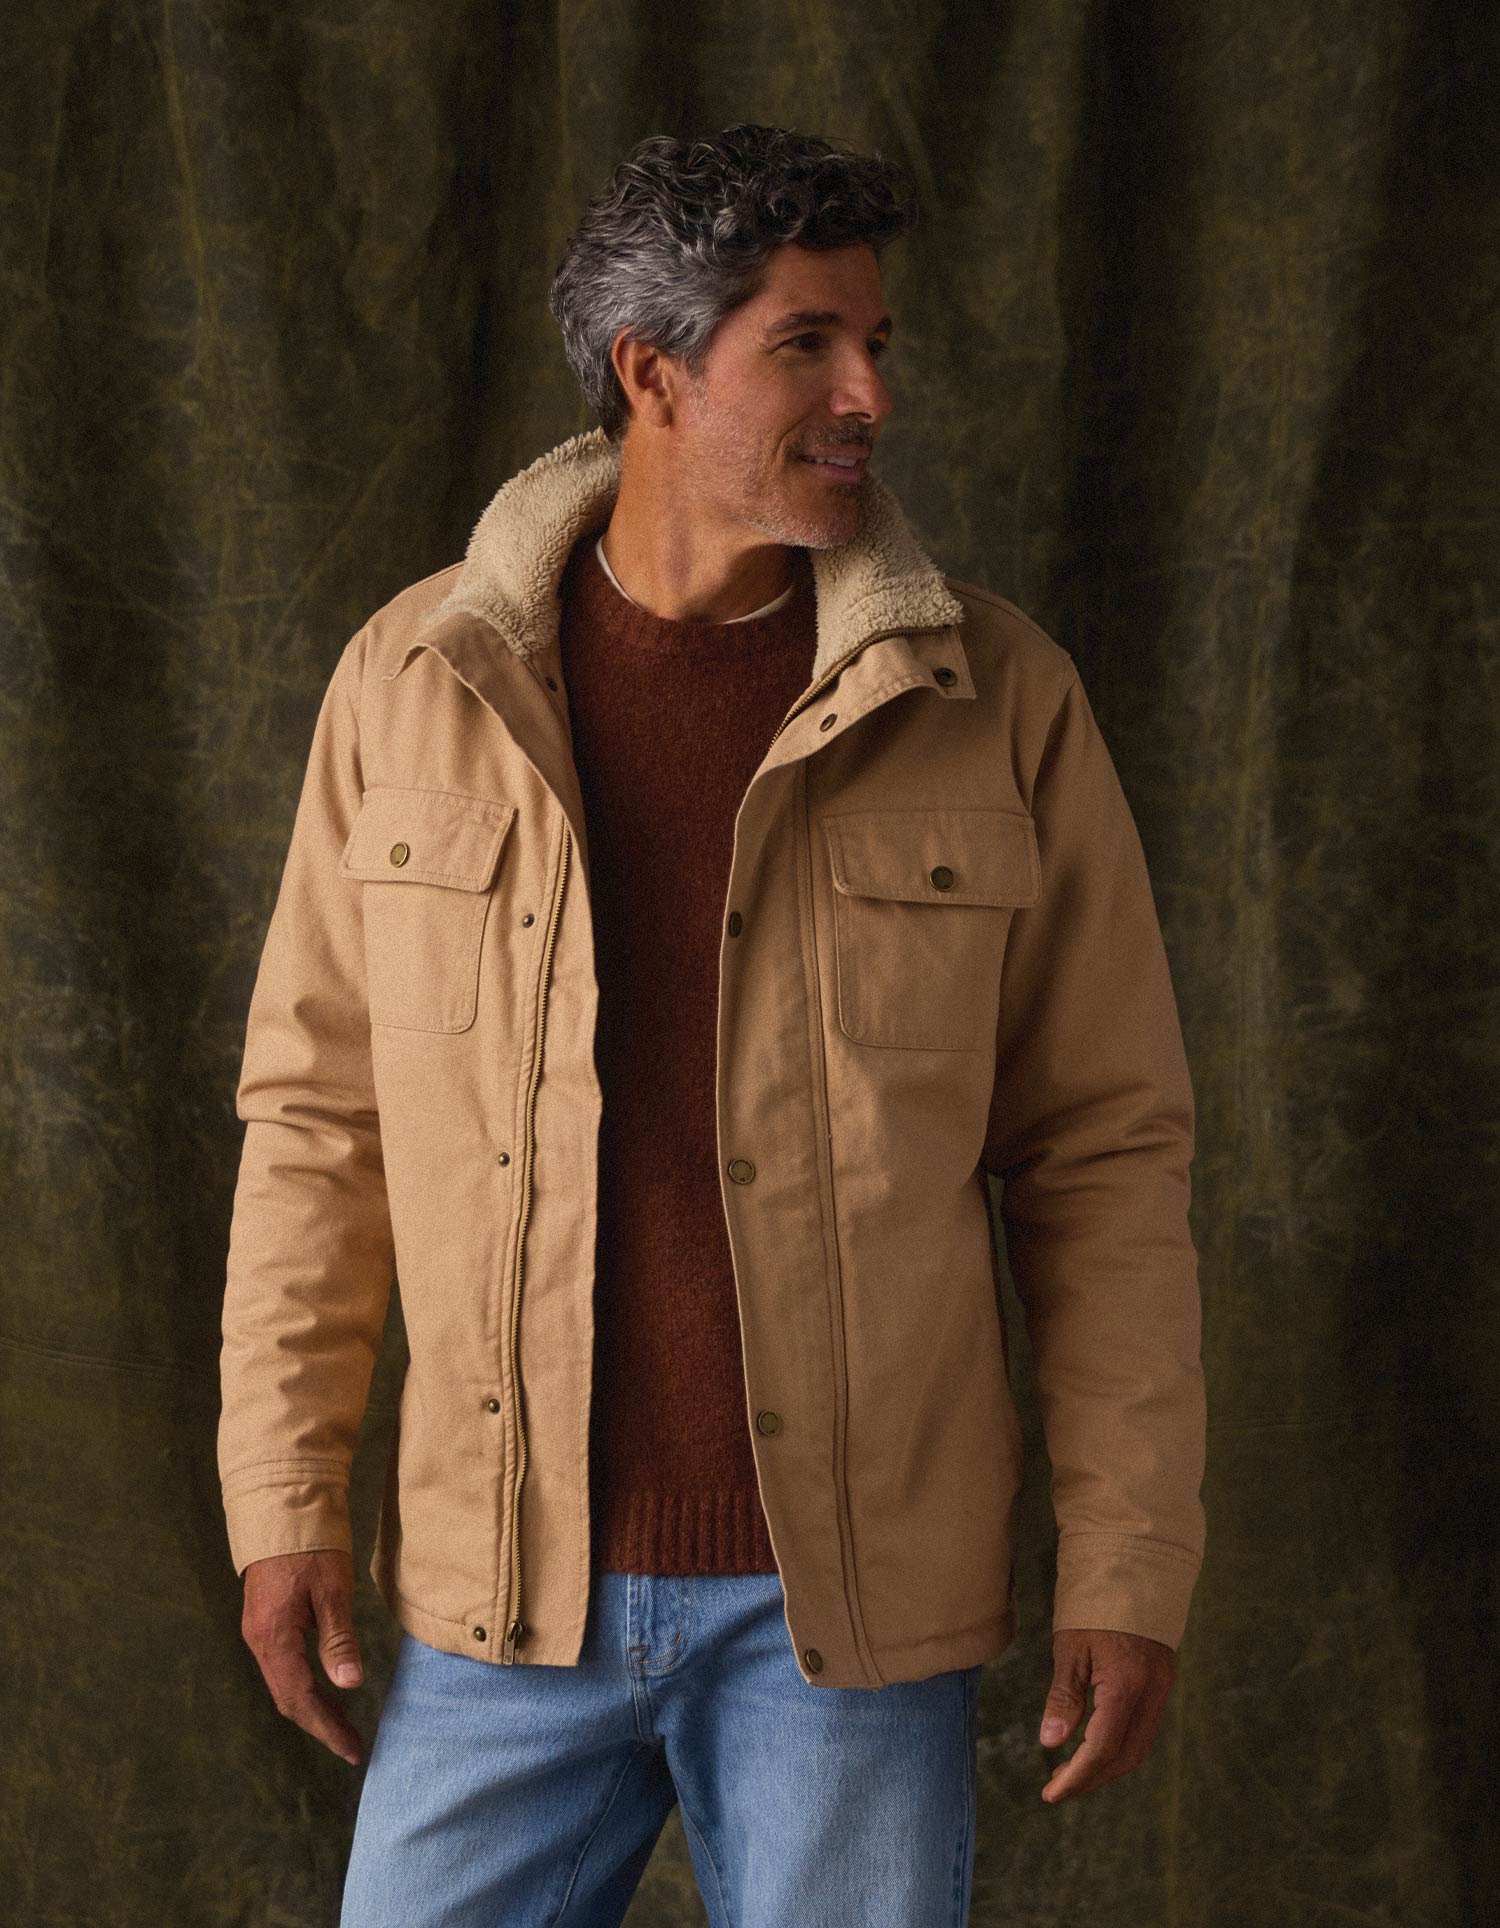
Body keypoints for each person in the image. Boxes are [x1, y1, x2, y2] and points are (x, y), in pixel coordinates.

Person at [218, 122, 1207, 1927]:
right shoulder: (415, 683)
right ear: (651, 373)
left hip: (847, 1618)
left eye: (876, 344)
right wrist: (283, 1495)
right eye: (806, 345)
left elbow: (1104, 1154)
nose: (870, 395)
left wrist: (1129, 1556)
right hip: (499, 1595)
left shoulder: (996, 700)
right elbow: (318, 1125)